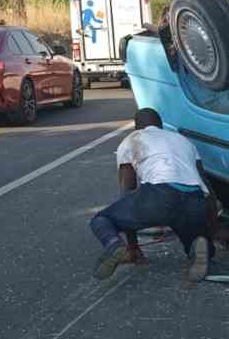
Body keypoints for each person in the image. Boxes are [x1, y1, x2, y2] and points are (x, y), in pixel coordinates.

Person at [89, 108, 215, 281]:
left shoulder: (132, 140)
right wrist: (212, 232)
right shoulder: (183, 140)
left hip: (160, 195)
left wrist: (133, 247)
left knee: (102, 219)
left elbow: (127, 193)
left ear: (137, 127)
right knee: (196, 239)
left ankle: (114, 245)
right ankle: (198, 246)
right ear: (161, 125)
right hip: (194, 198)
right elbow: (207, 187)